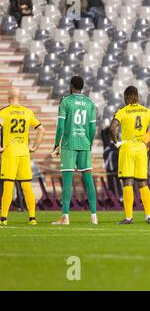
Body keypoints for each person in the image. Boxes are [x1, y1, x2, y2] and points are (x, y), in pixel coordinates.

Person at [110, 86, 150, 224]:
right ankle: (148, 216)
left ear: (127, 97)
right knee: (142, 182)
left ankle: (129, 217)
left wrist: (116, 142)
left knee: (127, 181)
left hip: (127, 147)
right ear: (137, 96)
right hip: (141, 148)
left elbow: (112, 128)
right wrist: (149, 144)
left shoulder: (122, 111)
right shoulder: (146, 111)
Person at [51, 76, 97, 225]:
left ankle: (65, 216)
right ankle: (94, 217)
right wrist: (88, 144)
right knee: (89, 181)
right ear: (82, 87)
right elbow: (92, 128)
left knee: (67, 182)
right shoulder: (90, 103)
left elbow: (60, 127)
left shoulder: (66, 102)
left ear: (71, 86)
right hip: (84, 144)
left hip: (69, 145)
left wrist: (56, 144)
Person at [0, 87, 45, 226]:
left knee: (8, 184)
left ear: (8, 96)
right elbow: (41, 130)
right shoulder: (27, 112)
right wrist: (35, 147)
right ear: (20, 96)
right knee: (26, 185)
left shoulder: (3, 112)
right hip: (24, 152)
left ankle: (3, 218)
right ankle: (32, 218)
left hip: (10, 152)